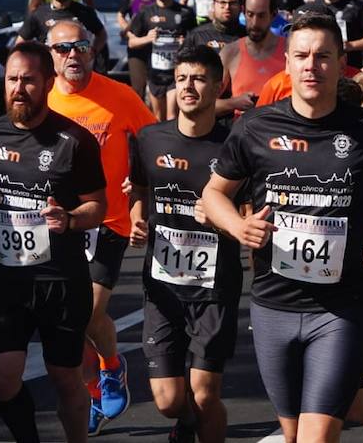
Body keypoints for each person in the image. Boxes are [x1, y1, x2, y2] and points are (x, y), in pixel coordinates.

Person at [201, 13, 363, 443]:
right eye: (301, 56)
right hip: (274, 302)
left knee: (316, 435)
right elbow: (213, 195)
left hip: (345, 307)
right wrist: (239, 227)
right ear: (288, 64)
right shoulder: (256, 127)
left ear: (339, 62)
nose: (311, 65)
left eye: (323, 56)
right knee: (293, 433)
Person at [0, 42, 107, 443]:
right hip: (5, 279)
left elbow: (99, 204)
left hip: (60, 281)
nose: (19, 88)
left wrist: (71, 218)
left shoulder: (74, 140)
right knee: (3, 379)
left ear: (48, 83)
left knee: (65, 379)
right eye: (12, 79)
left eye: (28, 80)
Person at [43, 20, 158, 434]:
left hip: (109, 219)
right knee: (70, 322)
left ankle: (112, 368)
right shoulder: (44, 100)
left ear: (92, 51)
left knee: (89, 312)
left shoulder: (118, 95)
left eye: (80, 47)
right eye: (62, 49)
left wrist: (141, 181)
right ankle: (92, 394)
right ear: (49, 55)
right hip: (58, 223)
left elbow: (154, 140)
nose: (72, 55)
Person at [127, 46, 240, 443]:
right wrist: (135, 217)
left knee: (205, 394)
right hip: (161, 285)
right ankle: (186, 424)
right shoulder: (148, 139)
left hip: (215, 288)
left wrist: (223, 222)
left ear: (218, 84)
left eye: (197, 78)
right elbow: (139, 189)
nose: (187, 87)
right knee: (169, 401)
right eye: (180, 79)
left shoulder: (234, 146)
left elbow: (246, 214)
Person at [128, 0, 197, 121]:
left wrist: (184, 43)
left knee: (172, 116)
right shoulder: (145, 13)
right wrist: (147, 38)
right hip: (154, 74)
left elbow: (195, 40)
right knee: (157, 117)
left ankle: (173, 144)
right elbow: (131, 43)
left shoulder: (185, 13)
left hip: (176, 73)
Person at [220, 0, 288, 117]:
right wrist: (233, 103)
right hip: (243, 133)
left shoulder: (289, 51)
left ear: (273, 15)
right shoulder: (230, 53)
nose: (255, 23)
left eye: (261, 16)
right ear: (243, 12)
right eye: (250, 15)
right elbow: (206, 104)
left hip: (280, 132)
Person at [17, 0, 108, 60]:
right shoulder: (38, 14)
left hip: (77, 67)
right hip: (49, 71)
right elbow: (20, 43)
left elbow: (102, 35)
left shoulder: (84, 12)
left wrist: (93, 52)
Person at [117, 0, 157, 101]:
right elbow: (120, 15)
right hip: (135, 46)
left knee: (154, 90)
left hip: (154, 48)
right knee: (137, 89)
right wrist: (127, 31)